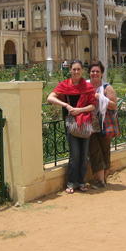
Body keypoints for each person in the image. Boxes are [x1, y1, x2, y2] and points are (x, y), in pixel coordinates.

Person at [47, 60, 96, 194]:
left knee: (84, 154)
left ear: (82, 71)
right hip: (71, 124)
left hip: (85, 123)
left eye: (78, 69)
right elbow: (50, 97)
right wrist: (66, 106)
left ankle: (81, 182)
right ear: (70, 70)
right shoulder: (64, 85)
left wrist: (79, 110)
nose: (76, 72)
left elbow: (93, 105)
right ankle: (71, 182)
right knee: (74, 154)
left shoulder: (87, 87)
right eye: (74, 69)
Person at [87, 61, 118, 188]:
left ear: (101, 73)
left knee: (105, 150)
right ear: (89, 73)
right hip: (90, 123)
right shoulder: (85, 85)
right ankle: (100, 180)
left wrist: (100, 97)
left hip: (104, 122)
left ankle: (103, 179)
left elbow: (113, 104)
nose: (95, 74)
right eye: (92, 71)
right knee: (94, 150)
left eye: (97, 71)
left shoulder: (107, 88)